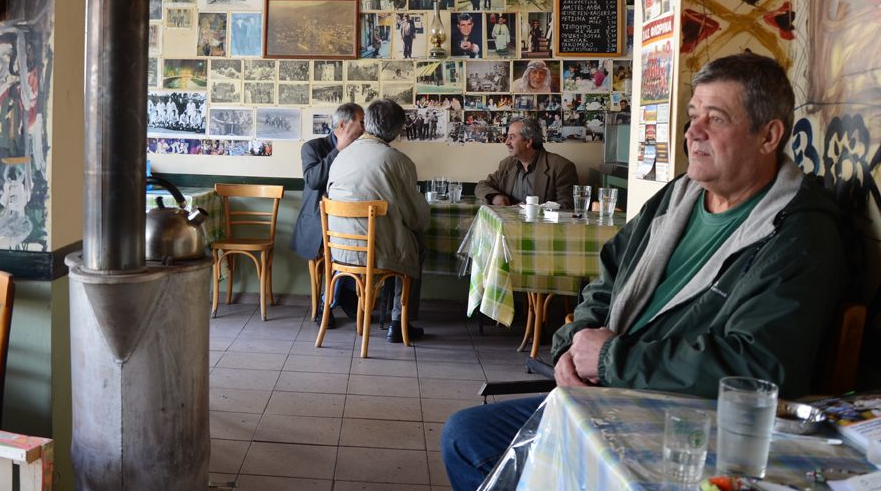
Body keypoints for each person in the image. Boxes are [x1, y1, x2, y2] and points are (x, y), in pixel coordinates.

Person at [442, 54, 849, 490]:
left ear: (769, 136)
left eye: (716, 119)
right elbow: (608, 278)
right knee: (467, 436)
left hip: (680, 417)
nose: (692, 133)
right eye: (693, 116)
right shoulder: (680, 196)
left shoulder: (796, 233)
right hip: (610, 390)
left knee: (481, 445)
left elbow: (757, 367)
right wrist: (571, 345)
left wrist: (611, 360)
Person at [327, 99, 430, 342]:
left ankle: (381, 314)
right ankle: (399, 321)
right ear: (396, 130)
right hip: (378, 252)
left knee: (396, 237)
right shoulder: (398, 161)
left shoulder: (341, 156)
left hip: (341, 249)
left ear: (367, 124)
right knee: (414, 244)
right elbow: (416, 218)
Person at [293, 103, 365, 329]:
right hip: (317, 222)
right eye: (361, 122)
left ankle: (340, 295)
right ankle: (329, 301)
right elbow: (313, 180)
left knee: (362, 245)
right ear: (343, 125)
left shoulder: (363, 149)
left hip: (349, 221)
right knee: (337, 248)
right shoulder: (312, 147)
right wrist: (340, 148)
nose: (365, 127)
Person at [475, 118, 577, 209]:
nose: (506, 142)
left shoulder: (561, 167)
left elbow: (566, 205)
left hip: (542, 228)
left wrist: (528, 210)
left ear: (528, 142)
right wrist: (495, 197)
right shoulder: (506, 164)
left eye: (512, 137)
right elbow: (482, 186)